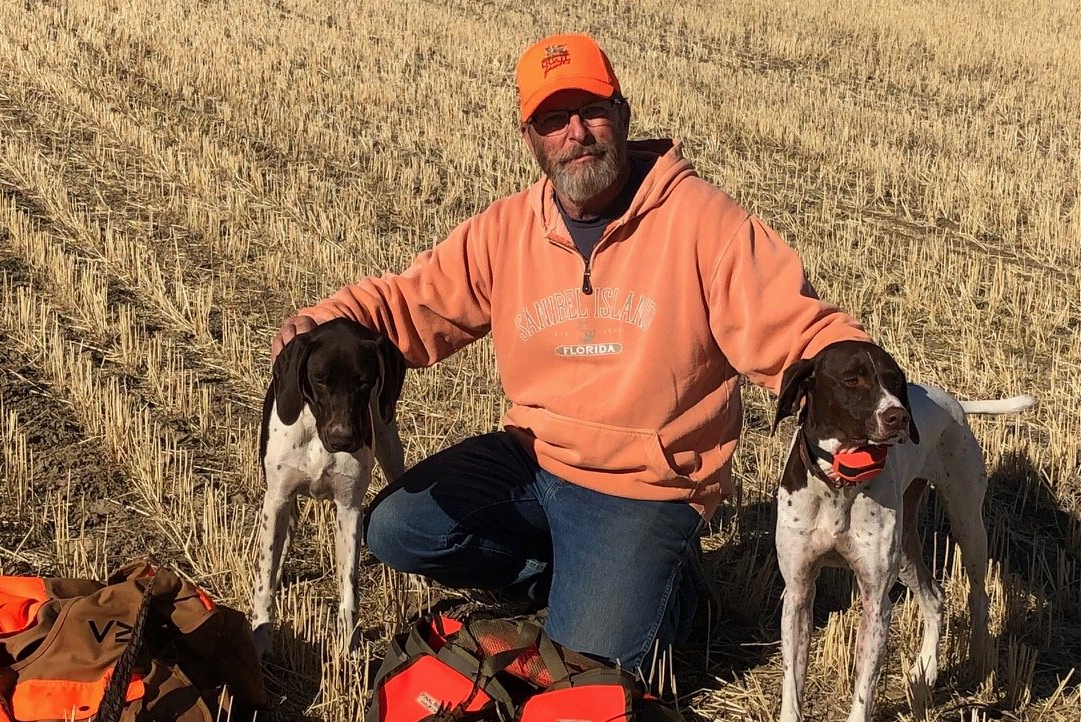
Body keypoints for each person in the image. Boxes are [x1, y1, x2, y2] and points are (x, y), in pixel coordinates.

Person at [271, 33, 870, 677]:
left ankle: (672, 588)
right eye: (553, 120)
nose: (576, 133)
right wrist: (326, 319)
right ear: (530, 138)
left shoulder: (704, 223)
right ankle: (587, 575)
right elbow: (410, 304)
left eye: (592, 110)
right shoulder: (506, 230)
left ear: (623, 114)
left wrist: (863, 387)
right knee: (394, 529)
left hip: (645, 487)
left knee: (590, 666)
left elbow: (794, 327)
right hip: (533, 460)